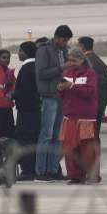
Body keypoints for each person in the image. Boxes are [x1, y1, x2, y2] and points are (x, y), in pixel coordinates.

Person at [35, 25, 72, 182]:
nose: (65, 43)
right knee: (47, 135)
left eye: (67, 40)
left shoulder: (63, 51)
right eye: (64, 40)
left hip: (61, 95)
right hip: (49, 96)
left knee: (58, 136)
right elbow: (42, 73)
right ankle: (41, 171)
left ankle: (53, 169)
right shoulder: (44, 50)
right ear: (56, 37)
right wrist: (61, 69)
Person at [57, 48, 99, 184]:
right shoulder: (66, 73)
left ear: (82, 60)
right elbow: (63, 95)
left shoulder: (90, 74)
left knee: (87, 148)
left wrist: (72, 86)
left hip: (85, 117)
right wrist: (61, 89)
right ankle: (75, 176)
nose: (71, 63)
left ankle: (92, 175)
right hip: (69, 116)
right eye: (69, 60)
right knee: (70, 147)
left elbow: (90, 92)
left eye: (74, 60)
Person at [78, 36, 107, 139]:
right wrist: (103, 103)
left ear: (82, 47)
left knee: (85, 138)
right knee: (95, 136)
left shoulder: (83, 63)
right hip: (99, 107)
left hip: (86, 107)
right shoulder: (101, 63)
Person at [13, 42, 41, 182]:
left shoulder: (26, 69)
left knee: (24, 140)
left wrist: (12, 95)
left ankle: (27, 170)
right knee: (34, 139)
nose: (18, 53)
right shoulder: (37, 67)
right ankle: (35, 168)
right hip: (36, 111)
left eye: (20, 50)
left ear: (27, 52)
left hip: (26, 111)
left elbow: (24, 92)